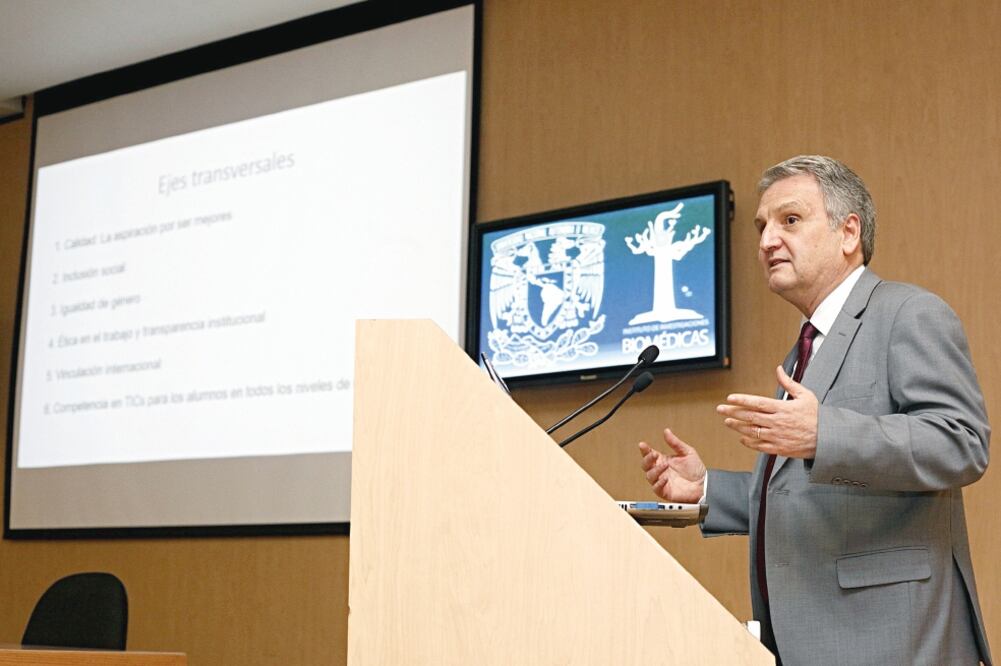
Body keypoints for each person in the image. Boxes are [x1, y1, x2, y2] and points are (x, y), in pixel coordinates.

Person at [638, 155, 991, 665]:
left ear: (849, 233)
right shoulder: (806, 347)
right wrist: (709, 490)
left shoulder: (908, 313)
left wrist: (825, 434)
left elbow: (961, 442)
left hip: (896, 641)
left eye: (790, 220)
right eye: (761, 227)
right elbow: (804, 493)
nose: (765, 241)